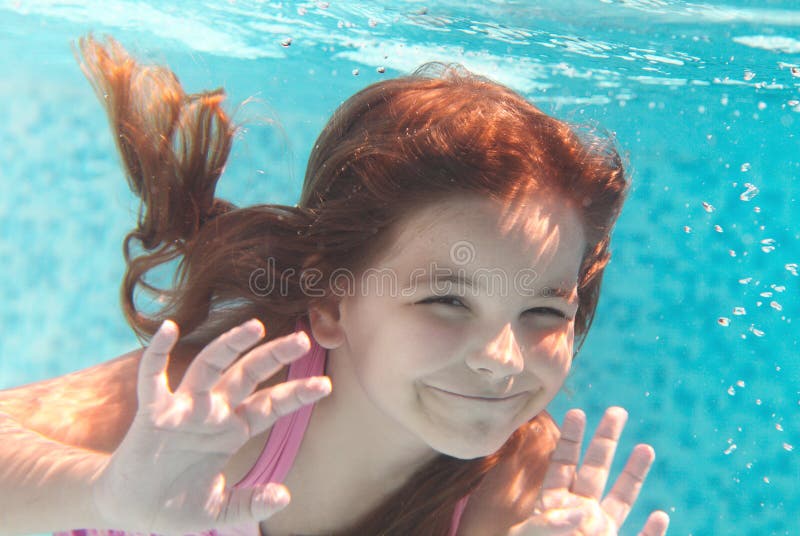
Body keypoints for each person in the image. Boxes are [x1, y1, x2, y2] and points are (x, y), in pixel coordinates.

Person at [0, 35, 670, 536]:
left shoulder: (524, 491)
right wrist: (105, 490)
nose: (502, 357)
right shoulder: (232, 404)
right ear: (329, 303)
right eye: (446, 299)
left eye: (545, 312)